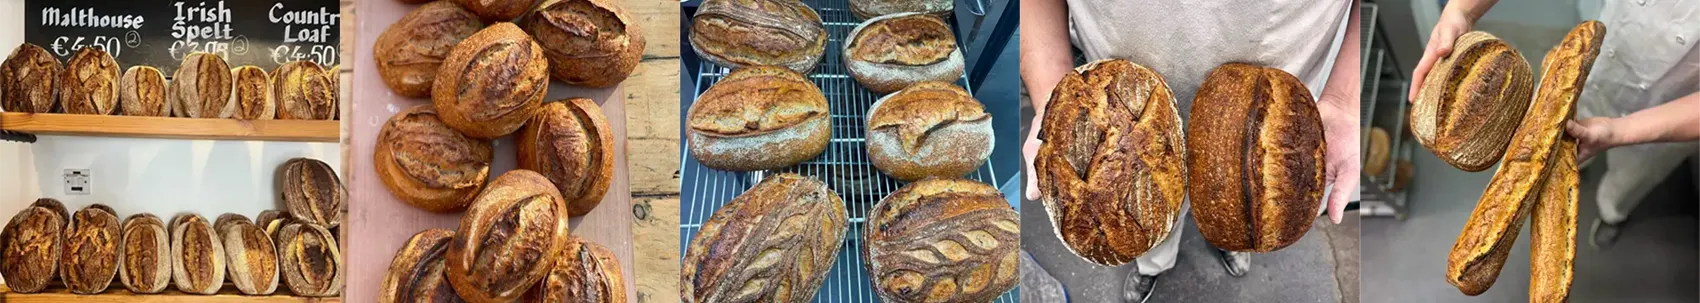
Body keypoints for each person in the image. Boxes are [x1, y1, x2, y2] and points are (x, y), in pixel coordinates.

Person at [1020, 0, 1360, 301]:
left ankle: (1230, 243)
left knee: (1237, 213)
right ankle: (1153, 264)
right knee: (1146, 219)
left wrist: (1345, 98)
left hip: (1269, 104)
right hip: (1124, 95)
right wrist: (1053, 93)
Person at [1409, 0, 1700, 249]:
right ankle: (1570, 169)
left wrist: (1619, 131)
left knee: (1635, 174)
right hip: (1598, 61)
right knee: (1555, 145)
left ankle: (1612, 212)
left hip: (1674, 110)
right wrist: (1462, 10)